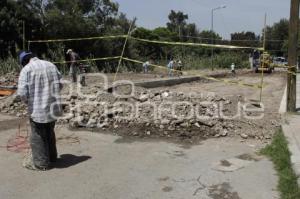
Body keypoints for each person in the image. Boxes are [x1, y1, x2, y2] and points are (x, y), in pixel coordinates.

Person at [17, 51, 62, 171]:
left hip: (37, 110)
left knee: (38, 136)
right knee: (49, 132)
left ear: (24, 62)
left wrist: (28, 102)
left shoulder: (26, 70)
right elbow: (60, 85)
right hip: (53, 108)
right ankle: (52, 157)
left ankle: (41, 164)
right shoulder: (51, 65)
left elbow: (22, 93)